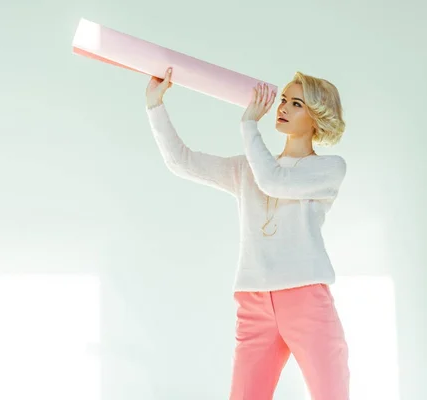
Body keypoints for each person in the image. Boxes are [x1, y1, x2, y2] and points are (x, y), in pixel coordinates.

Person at [145, 67, 349, 400]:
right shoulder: (247, 168)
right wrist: (155, 105)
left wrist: (249, 125)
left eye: (296, 103)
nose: (282, 107)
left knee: (332, 394)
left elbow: (273, 181)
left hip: (305, 299)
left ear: (316, 117)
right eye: (283, 99)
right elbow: (181, 162)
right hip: (253, 301)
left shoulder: (328, 169)